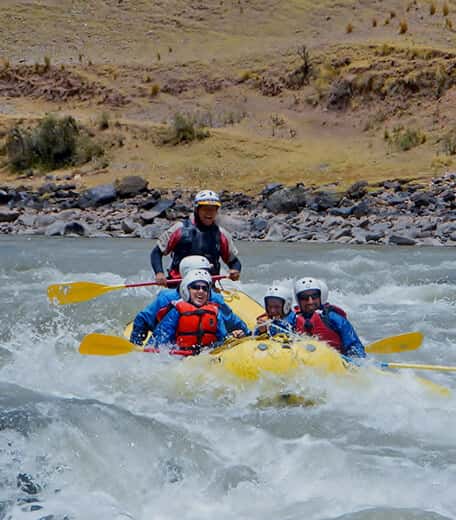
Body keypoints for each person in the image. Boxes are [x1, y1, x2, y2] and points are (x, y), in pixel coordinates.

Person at [130, 255, 250, 345]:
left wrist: (247, 334)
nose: (201, 291)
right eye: (206, 271)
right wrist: (136, 345)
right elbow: (144, 320)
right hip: (176, 349)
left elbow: (231, 322)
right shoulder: (167, 300)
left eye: (204, 288)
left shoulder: (214, 300)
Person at [150, 190, 241, 285]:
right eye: (205, 209)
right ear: (197, 210)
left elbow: (234, 261)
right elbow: (157, 252)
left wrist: (235, 270)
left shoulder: (222, 234)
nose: (209, 213)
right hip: (178, 284)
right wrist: (159, 273)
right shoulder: (179, 229)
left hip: (207, 287)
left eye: (213, 209)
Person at [151, 269, 247, 354]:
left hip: (205, 356)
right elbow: (160, 342)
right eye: (196, 287)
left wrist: (234, 336)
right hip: (180, 357)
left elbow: (223, 339)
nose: (201, 291)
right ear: (187, 290)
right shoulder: (176, 311)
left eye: (204, 288)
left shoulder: (215, 312)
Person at [289, 277, 366, 358]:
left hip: (336, 362)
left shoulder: (334, 318)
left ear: (320, 297)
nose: (310, 301)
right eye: (304, 297)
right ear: (298, 300)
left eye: (314, 296)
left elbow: (354, 345)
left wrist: (356, 360)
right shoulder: (293, 319)